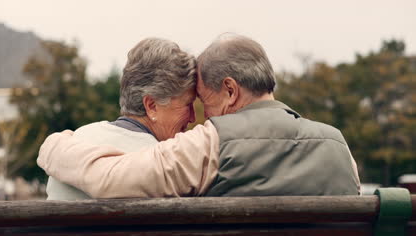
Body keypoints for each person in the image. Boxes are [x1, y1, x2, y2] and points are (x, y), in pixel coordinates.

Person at [38, 33, 360, 199]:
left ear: (230, 91)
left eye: (205, 102)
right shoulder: (337, 144)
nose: (201, 119)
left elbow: (109, 178)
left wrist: (54, 145)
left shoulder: (212, 143)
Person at [45, 37, 197, 200]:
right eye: (188, 104)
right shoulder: (168, 169)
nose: (193, 117)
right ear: (152, 106)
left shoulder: (72, 143)